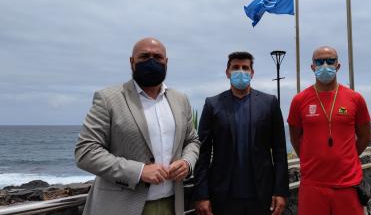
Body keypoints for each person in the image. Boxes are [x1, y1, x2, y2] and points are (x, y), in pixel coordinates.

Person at [75, 37, 200, 215]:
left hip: (173, 205)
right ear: (132, 62)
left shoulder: (180, 100)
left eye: (157, 57)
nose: (151, 61)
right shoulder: (108, 99)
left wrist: (187, 162)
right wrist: (139, 171)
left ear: (166, 62)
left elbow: (192, 140)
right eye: (144, 56)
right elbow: (86, 152)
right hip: (121, 207)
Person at [194, 51, 289, 215]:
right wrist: (202, 194)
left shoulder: (269, 103)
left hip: (262, 195)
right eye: (235, 67)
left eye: (245, 68)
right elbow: (202, 153)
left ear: (252, 73)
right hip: (223, 196)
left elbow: (280, 152)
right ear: (227, 72)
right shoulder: (212, 105)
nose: (241, 71)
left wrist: (280, 191)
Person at [287, 46, 371, 215]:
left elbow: (364, 136)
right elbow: (295, 138)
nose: (325, 65)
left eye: (330, 60)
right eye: (319, 61)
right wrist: (311, 159)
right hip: (312, 184)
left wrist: (346, 157)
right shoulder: (299, 100)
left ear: (338, 65)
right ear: (313, 67)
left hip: (347, 184)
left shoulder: (355, 99)